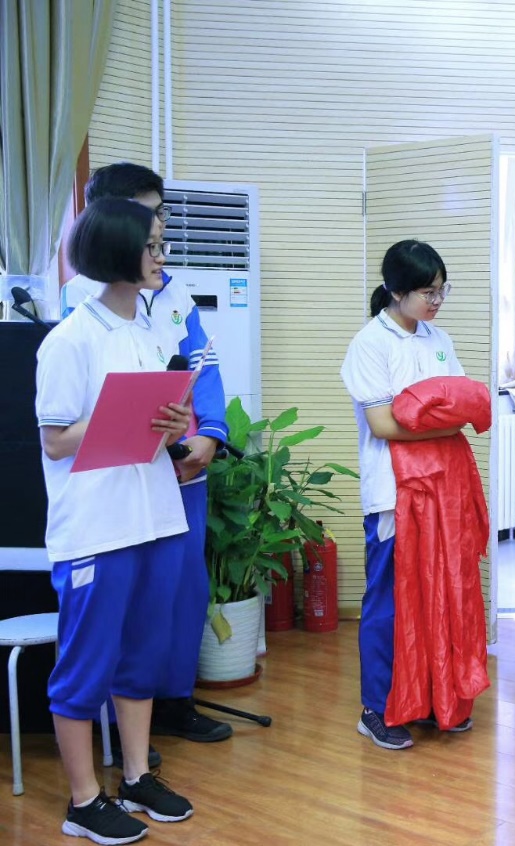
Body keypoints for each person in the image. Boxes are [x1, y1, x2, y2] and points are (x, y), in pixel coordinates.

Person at [38, 198, 198, 844]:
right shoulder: (68, 340)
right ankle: (83, 801)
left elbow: (160, 428)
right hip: (96, 527)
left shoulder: (155, 333)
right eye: (152, 246)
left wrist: (171, 423)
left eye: (162, 245)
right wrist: (119, 415)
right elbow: (54, 440)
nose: (162, 257)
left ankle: (135, 777)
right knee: (85, 664)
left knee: (142, 657)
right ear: (117, 251)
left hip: (155, 517)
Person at [63, 162, 233, 746]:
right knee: (125, 601)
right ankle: (118, 729)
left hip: (184, 466)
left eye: (161, 213)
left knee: (182, 588)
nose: (161, 227)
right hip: (124, 475)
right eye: (150, 214)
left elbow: (203, 369)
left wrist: (209, 436)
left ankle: (175, 701)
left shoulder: (174, 290)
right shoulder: (80, 299)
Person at [340, 239, 472, 750]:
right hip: (391, 493)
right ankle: (377, 707)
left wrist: (430, 420)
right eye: (426, 292)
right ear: (396, 292)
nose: (436, 301)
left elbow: (463, 408)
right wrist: (441, 426)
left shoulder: (439, 340)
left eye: (441, 290)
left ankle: (433, 700)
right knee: (390, 600)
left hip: (440, 491)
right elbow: (382, 424)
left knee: (439, 595)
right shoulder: (371, 343)